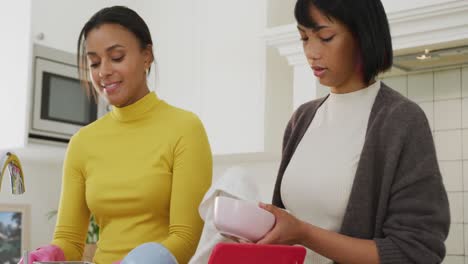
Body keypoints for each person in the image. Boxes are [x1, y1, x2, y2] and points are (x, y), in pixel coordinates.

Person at [257, 0, 450, 263]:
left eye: (325, 37)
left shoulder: (402, 121)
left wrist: (304, 234)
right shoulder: (302, 118)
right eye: (304, 37)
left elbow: (417, 251)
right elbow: (284, 231)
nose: (311, 52)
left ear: (363, 35)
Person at [21, 6, 212, 264]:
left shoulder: (184, 128)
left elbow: (187, 238)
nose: (103, 72)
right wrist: (52, 253)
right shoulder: (82, 143)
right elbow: (70, 239)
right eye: (95, 63)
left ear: (147, 56)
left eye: (117, 57)